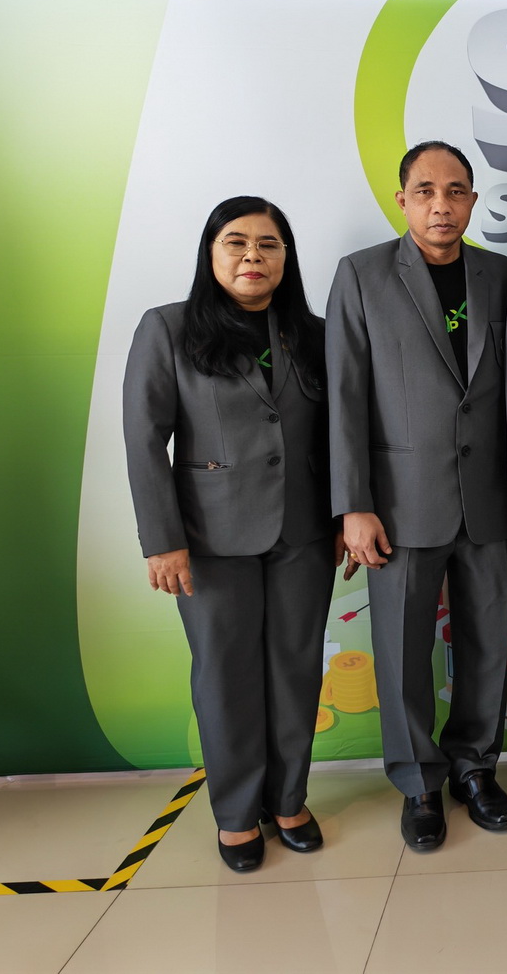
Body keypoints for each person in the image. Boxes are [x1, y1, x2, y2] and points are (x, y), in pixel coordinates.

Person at [124, 195, 338, 872]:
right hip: (209, 538)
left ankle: (288, 800)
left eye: (268, 244)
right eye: (236, 242)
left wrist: (344, 516)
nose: (253, 255)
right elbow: (144, 438)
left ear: (286, 257)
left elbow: (341, 434)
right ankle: (238, 813)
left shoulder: (314, 333)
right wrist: (162, 539)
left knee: (296, 670)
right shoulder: (168, 328)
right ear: (211, 254)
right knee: (226, 675)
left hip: (304, 532)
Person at [327, 141, 507, 852]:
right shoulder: (362, 275)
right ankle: (418, 783)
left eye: (456, 191)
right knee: (403, 650)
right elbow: (345, 397)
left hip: (491, 495)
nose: (442, 205)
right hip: (399, 504)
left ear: (473, 199)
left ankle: (475, 767)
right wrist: (353, 504)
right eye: (426, 191)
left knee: (487, 645)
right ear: (403, 199)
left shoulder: (504, 274)